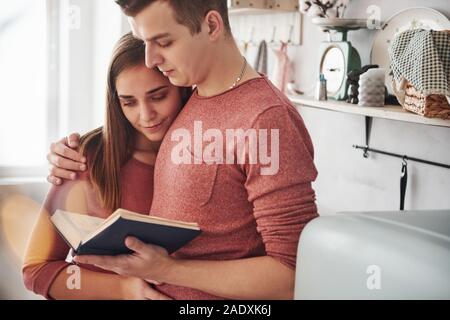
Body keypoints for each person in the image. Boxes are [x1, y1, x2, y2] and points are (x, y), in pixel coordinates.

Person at [46, 0, 319, 300]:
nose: (150, 59)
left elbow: (292, 276)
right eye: (144, 42)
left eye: (163, 42)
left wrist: (166, 270)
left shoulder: (266, 119)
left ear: (212, 25)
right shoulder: (191, 98)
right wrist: (75, 149)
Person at [22, 32, 189, 299]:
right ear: (116, 102)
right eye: (129, 102)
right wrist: (123, 289)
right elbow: (36, 268)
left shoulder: (207, 155)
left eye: (158, 96)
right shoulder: (83, 159)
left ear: (181, 87)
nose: (146, 116)